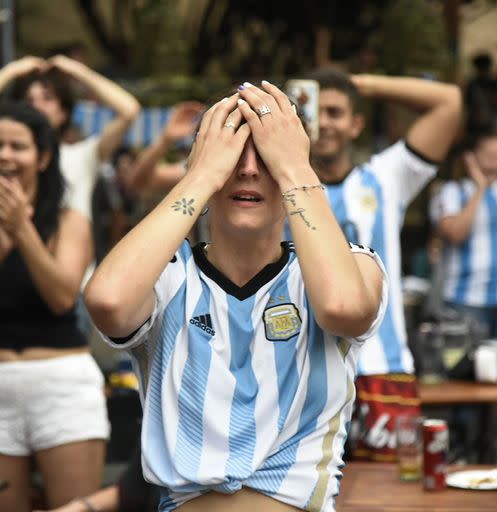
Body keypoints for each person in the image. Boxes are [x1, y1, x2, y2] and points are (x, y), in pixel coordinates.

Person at [83, 82, 387, 511]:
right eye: (232, 150)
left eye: (265, 154)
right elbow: (108, 303)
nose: (247, 169)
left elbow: (344, 307)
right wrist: (201, 175)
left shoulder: (350, 267)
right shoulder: (167, 280)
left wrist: (296, 171)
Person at [0, 102, 107, 511]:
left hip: (62, 384)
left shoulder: (70, 221)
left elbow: (63, 296)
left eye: (18, 146)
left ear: (43, 158)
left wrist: (22, 229)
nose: (4, 155)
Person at [304, 68, 461, 459]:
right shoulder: (275, 186)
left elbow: (450, 103)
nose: (323, 123)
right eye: (314, 111)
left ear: (357, 124)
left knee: (390, 496)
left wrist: (358, 83)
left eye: (336, 112)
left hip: (381, 369)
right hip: (302, 376)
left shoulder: (385, 177)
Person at [429, 131, 497, 449]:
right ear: (470, 159)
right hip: (467, 299)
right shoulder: (451, 191)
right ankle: (466, 449)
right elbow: (456, 233)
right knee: (465, 380)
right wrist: (478, 188)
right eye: (488, 156)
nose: (495, 163)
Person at [0, 54, 141, 221]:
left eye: (47, 98)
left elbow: (129, 109)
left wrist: (77, 71)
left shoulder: (83, 155)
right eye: (29, 100)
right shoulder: (6, 151)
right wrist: (11, 70)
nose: (37, 106)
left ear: (64, 112)